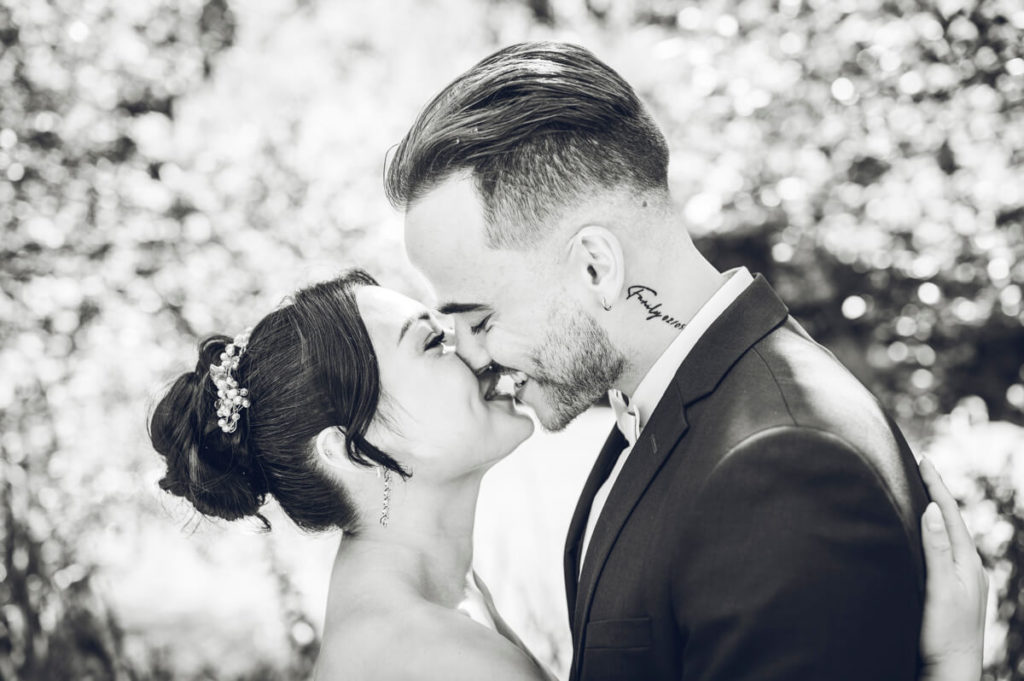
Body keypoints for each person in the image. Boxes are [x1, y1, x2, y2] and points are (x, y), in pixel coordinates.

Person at [384, 42, 986, 680]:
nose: (472, 357)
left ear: (596, 266)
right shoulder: (670, 404)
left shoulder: (783, 467)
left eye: (480, 320)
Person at [149, 271, 986, 681]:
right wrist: (948, 665)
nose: (477, 346)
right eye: (434, 345)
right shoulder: (423, 654)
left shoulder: (438, 606)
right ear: (350, 449)